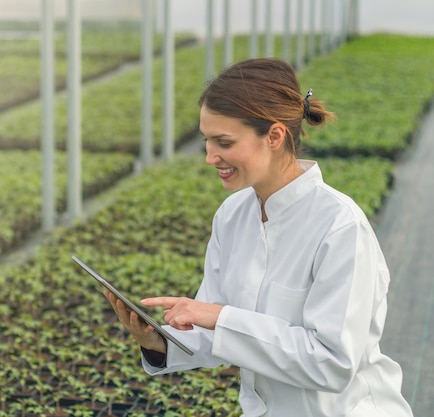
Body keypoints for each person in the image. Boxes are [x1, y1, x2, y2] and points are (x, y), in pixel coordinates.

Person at [105, 57, 413, 416]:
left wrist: (219, 318)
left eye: (224, 142)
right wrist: (159, 342)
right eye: (206, 141)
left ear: (275, 136)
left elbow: (332, 363)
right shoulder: (233, 216)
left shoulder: (340, 227)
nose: (209, 157)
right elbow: (214, 331)